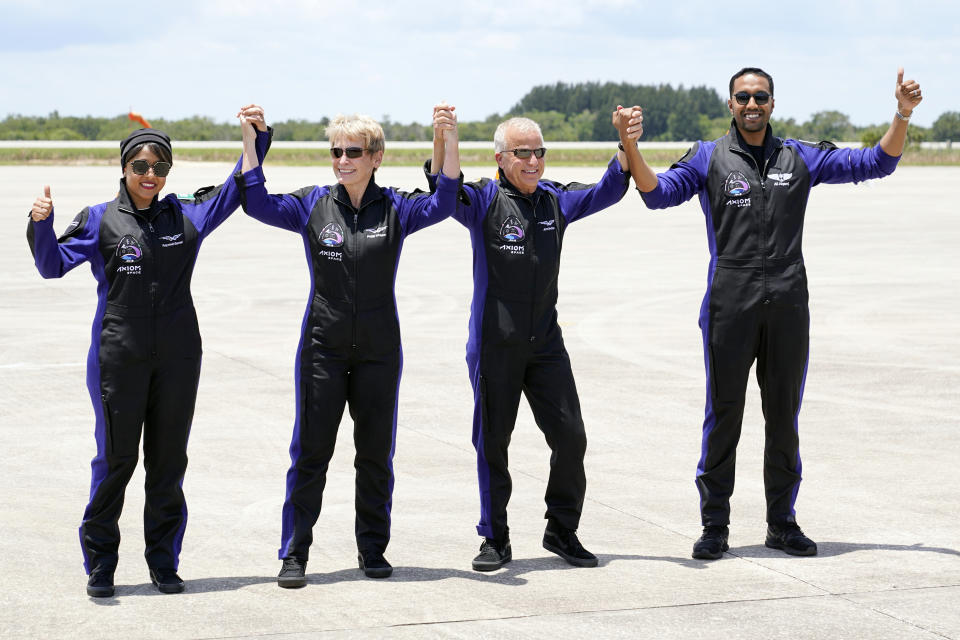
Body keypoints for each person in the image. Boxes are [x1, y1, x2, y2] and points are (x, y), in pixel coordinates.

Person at [613, 67, 923, 560]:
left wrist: (902, 115)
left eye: (760, 96)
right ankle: (714, 525)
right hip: (728, 305)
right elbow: (656, 194)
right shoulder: (708, 157)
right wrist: (631, 147)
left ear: (773, 103)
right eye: (743, 96)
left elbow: (877, 162)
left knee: (784, 418)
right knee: (724, 416)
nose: (751, 103)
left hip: (787, 305)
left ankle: (782, 522)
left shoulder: (798, 155)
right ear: (730, 103)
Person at [26, 109, 272, 597]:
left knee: (167, 463)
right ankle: (101, 564)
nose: (150, 176)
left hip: (179, 359)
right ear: (124, 168)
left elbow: (234, 186)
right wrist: (40, 225)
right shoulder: (99, 219)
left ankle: (163, 562)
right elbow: (51, 266)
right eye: (140, 166)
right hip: (119, 357)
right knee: (116, 461)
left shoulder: (187, 214)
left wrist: (256, 139)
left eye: (160, 167)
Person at [237, 105, 461, 587]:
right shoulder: (313, 204)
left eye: (353, 152)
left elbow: (445, 200)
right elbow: (255, 202)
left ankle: (372, 549)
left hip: (380, 350)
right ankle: (294, 553)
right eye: (336, 151)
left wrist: (447, 139)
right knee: (312, 452)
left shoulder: (397, 207)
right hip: (323, 348)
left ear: (376, 157)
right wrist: (250, 141)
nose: (342, 160)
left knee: (375, 455)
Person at [428, 112, 640, 571]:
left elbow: (608, 188)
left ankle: (562, 529)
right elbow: (443, 188)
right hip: (494, 346)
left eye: (538, 152)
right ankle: (495, 538)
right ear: (501, 158)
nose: (532, 160)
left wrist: (625, 143)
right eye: (521, 152)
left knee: (571, 437)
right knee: (492, 444)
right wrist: (444, 139)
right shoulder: (482, 199)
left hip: (545, 345)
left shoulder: (555, 201)